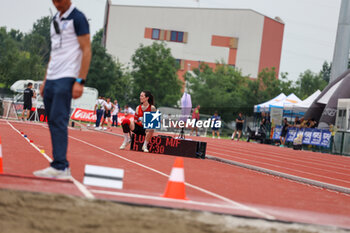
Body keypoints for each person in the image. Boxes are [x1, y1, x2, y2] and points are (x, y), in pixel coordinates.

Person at [34, 0, 91, 179]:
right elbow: (54, 52)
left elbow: (86, 50)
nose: (57, 4)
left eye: (60, 0)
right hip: (51, 77)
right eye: (54, 1)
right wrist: (44, 80)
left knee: (58, 120)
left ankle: (61, 166)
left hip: (67, 77)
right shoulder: (55, 20)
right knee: (51, 121)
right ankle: (58, 164)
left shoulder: (78, 18)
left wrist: (80, 81)